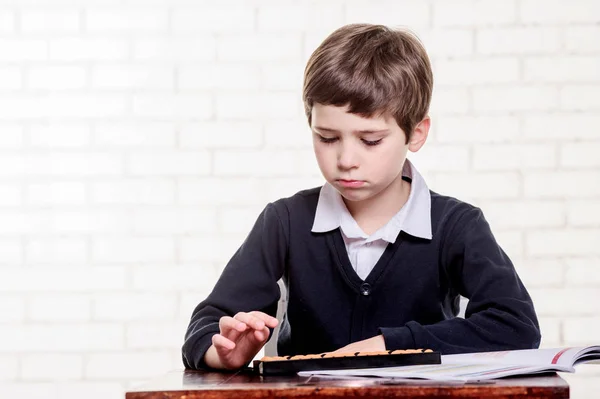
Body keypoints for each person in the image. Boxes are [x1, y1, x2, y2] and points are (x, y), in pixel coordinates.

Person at [182, 23, 540, 371]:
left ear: (416, 134)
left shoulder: (455, 225)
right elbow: (207, 325)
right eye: (326, 137)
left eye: (370, 141)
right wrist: (224, 353)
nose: (346, 160)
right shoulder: (285, 221)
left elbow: (515, 324)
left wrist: (390, 346)